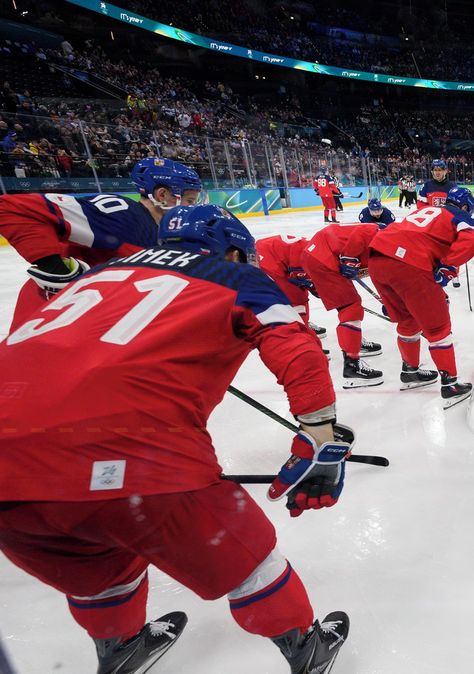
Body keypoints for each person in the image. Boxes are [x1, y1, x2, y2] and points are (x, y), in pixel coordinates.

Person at [0, 204, 352, 674]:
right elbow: (294, 343)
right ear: (231, 251)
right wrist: (320, 437)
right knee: (249, 558)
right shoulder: (236, 277)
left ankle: (120, 648)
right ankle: (305, 647)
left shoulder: (97, 274)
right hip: (128, 448)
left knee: (95, 568)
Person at [0, 157, 201, 331]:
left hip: (84, 327)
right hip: (48, 323)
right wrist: (57, 271)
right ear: (162, 195)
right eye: (190, 201)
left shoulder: (163, 232)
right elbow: (11, 208)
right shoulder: (122, 214)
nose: (193, 208)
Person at [368, 186, 474, 408]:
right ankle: (450, 386)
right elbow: (472, 242)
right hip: (408, 262)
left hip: (377, 257)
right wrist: (448, 266)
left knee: (408, 321)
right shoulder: (460, 215)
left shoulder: (422, 211)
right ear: (466, 206)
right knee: (438, 328)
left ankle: (410, 371)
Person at [302, 221, 386, 388]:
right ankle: (352, 366)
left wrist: (388, 300)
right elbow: (363, 232)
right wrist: (349, 258)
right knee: (351, 307)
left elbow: (377, 272)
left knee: (350, 306)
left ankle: (354, 344)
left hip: (320, 255)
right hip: (323, 258)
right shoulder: (385, 233)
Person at [256, 233, 327, 340]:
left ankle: (302, 325)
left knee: (298, 292)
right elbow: (298, 277)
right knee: (296, 296)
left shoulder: (318, 250)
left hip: (274, 253)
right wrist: (316, 287)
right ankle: (300, 333)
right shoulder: (310, 255)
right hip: (267, 257)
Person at [416, 160, 460, 287]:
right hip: (432, 224)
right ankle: (435, 273)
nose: (437, 173)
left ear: (445, 171)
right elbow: (420, 205)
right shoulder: (427, 186)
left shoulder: (452, 186)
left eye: (440, 170)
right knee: (433, 250)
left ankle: (454, 274)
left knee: (452, 250)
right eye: (435, 170)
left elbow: (457, 205)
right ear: (432, 172)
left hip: (447, 224)